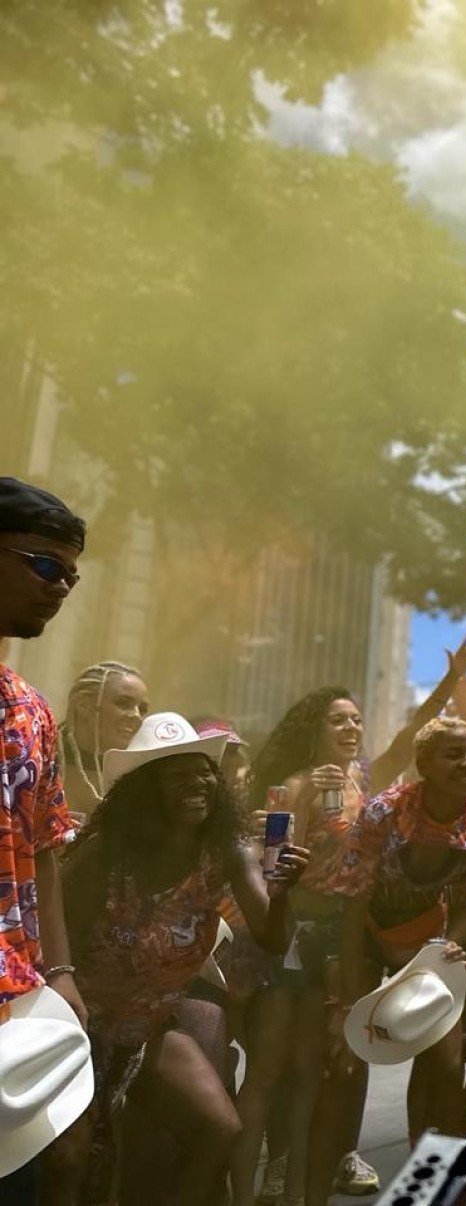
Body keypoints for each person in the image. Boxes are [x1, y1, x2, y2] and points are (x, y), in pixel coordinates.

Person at [236, 640, 466, 1206]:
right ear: (315, 730)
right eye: (337, 720)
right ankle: (277, 1171)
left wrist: (449, 684)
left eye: (356, 720)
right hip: (296, 934)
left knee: (343, 1049)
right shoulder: (294, 784)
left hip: (351, 934)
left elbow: (412, 735)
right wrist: (297, 810)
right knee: (293, 1061)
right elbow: (273, 859)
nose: (351, 728)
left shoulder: (368, 782)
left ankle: (341, 1162)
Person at [56, 713, 308, 1206]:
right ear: (147, 789)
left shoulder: (227, 850)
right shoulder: (107, 851)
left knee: (220, 1129)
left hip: (147, 1024)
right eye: (179, 776)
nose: (198, 784)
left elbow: (272, 940)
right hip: (75, 1025)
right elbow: (54, 933)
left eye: (204, 773)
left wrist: (282, 894)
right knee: (70, 1158)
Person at [305, 717, 466, 1206]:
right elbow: (352, 902)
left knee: (445, 1060)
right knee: (346, 1061)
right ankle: (309, 1194)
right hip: (361, 931)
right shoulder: (384, 812)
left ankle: (436, 1192)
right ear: (423, 766)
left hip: (429, 937)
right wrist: (347, 1000)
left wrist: (449, 946)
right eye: (454, 755)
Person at [0, 477, 89, 1206]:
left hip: (17, 1010)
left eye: (72, 575)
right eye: (45, 566)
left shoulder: (32, 711)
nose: (62, 587)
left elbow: (47, 848)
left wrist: (59, 972)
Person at [58, 660, 148, 822]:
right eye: (123, 703)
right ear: (84, 705)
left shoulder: (141, 779)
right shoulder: (37, 763)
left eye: (142, 709)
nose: (136, 716)